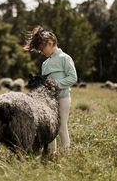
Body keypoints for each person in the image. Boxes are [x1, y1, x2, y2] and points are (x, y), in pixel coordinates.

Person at [23, 25, 77, 154]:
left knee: (62, 127)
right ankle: (52, 154)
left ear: (50, 43)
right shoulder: (45, 64)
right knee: (49, 127)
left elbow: (73, 77)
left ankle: (65, 154)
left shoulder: (65, 58)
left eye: (42, 49)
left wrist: (56, 83)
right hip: (48, 101)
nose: (42, 52)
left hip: (62, 98)